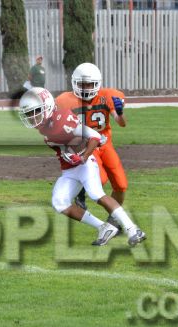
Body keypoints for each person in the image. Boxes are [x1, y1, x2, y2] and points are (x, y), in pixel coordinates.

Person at [18, 87, 146, 247]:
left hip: (85, 165)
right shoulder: (45, 127)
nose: (32, 117)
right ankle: (104, 227)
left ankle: (133, 229)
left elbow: (95, 136)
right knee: (59, 202)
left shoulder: (63, 119)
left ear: (47, 106)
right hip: (69, 171)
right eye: (29, 114)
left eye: (35, 112)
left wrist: (83, 157)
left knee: (96, 194)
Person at [55, 63, 128, 232]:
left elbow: (121, 123)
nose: (86, 88)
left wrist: (120, 113)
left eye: (90, 84)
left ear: (98, 83)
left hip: (105, 144)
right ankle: (81, 191)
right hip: (87, 146)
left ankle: (113, 221)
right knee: (100, 180)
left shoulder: (108, 95)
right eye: (82, 84)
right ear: (74, 83)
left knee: (121, 185)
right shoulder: (64, 100)